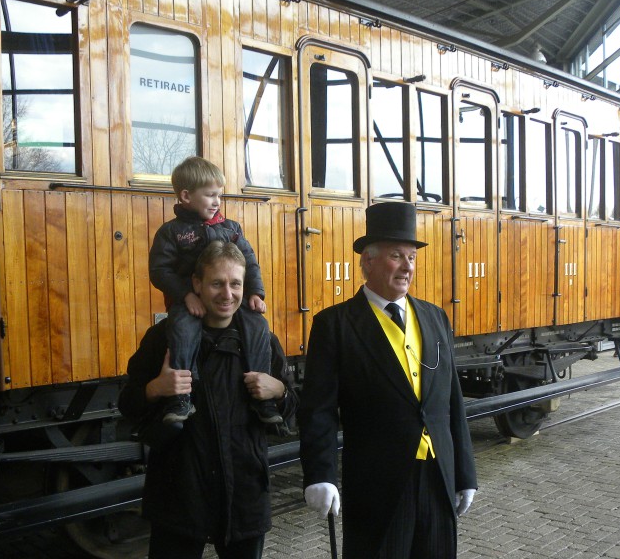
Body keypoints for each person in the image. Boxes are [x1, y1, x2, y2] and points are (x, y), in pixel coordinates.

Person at [297, 202, 477, 558]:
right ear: (368, 260)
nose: (407, 266)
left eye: (411, 257)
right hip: (376, 482)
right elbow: (318, 409)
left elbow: (451, 400)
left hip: (438, 475)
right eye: (397, 255)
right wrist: (321, 474)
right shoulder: (334, 324)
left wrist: (465, 473)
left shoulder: (434, 316)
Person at [118, 241, 298, 559]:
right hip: (179, 496)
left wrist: (279, 391)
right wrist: (155, 388)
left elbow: (294, 409)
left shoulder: (263, 343)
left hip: (244, 495)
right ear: (197, 284)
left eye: (235, 284)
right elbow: (127, 405)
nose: (227, 294)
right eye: (217, 283)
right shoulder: (163, 338)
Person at [148, 156, 281, 425]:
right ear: (186, 196)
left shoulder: (230, 229)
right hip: (187, 301)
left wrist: (256, 292)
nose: (217, 201)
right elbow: (160, 271)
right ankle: (181, 397)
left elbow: (250, 262)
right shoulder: (171, 232)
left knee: (257, 326)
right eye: (210, 195)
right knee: (182, 330)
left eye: (219, 195)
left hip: (226, 305)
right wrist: (187, 294)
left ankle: (262, 392)